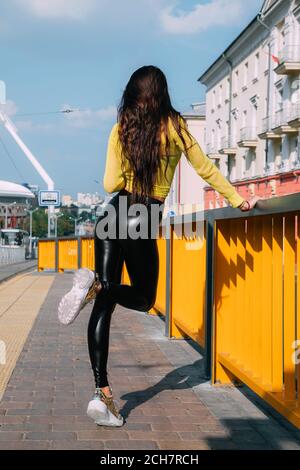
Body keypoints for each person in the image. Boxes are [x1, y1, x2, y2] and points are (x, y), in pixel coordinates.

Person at [58, 65, 259, 427]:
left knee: (103, 306)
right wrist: (236, 198)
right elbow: (205, 169)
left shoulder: (122, 126)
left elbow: (109, 182)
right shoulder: (176, 126)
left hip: (111, 214)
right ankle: (98, 286)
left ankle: (101, 393)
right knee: (144, 298)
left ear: (132, 94)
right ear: (163, 92)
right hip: (142, 215)